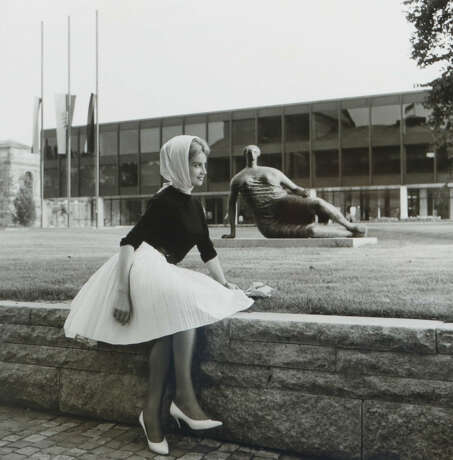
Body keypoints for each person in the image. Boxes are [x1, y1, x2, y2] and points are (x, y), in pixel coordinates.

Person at [64, 135, 253, 455]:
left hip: (162, 271)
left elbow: (207, 250)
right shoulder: (163, 200)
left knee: (175, 320)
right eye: (196, 165)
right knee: (183, 303)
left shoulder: (196, 204)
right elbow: (128, 243)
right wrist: (122, 293)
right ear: (180, 165)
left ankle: (153, 412)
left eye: (204, 165)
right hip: (138, 267)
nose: (203, 171)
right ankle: (182, 398)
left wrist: (224, 282)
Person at [222, 145, 367, 239]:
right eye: (247, 151)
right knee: (310, 232)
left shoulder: (273, 172)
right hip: (268, 221)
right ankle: (349, 235)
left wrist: (305, 193)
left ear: (258, 154)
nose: (250, 153)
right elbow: (231, 206)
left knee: (316, 202)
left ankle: (350, 226)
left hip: (282, 202)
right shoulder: (238, 178)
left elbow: (295, 189)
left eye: (253, 151)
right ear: (244, 155)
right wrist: (232, 232)